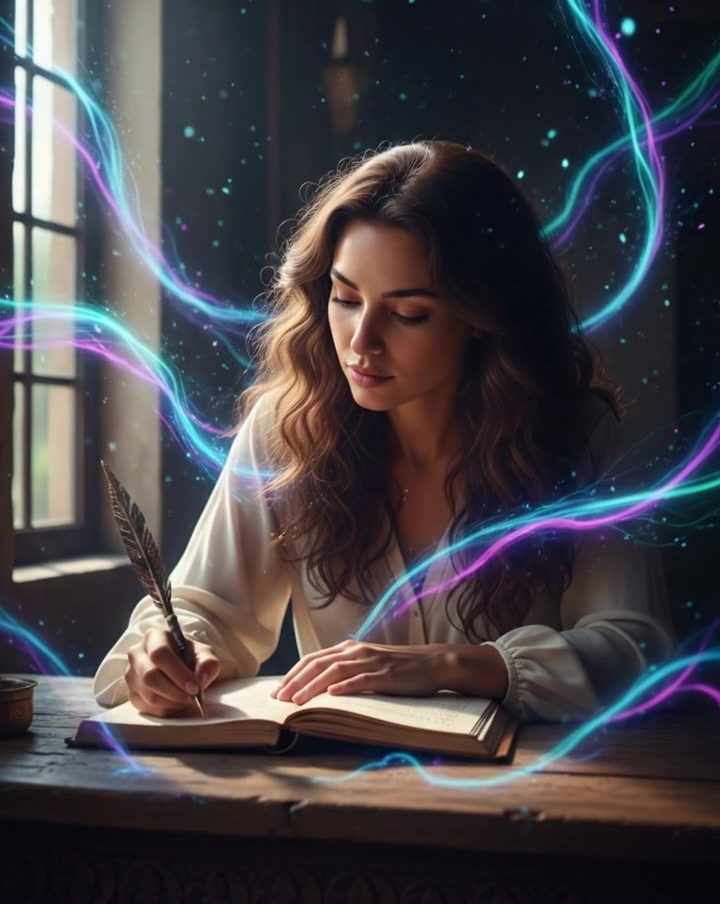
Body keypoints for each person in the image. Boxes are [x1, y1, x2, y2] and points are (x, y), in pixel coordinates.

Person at [93, 138, 675, 723]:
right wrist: (167, 652)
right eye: (345, 298)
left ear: (481, 317)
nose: (360, 342)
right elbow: (209, 609)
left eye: (407, 314)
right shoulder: (287, 429)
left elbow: (638, 652)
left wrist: (458, 665)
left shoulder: (574, 435)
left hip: (523, 789)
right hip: (334, 789)